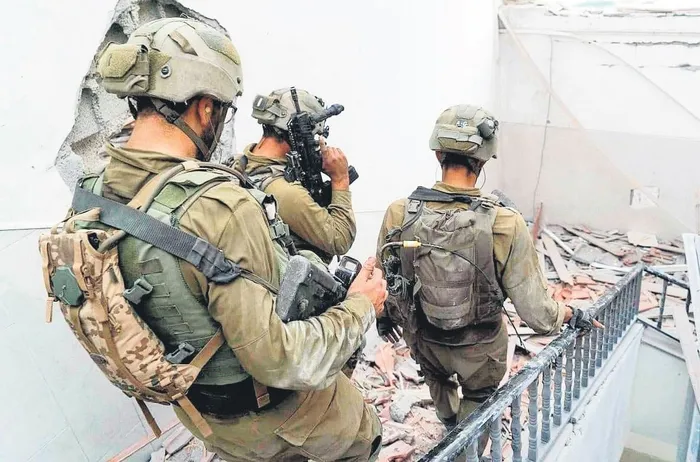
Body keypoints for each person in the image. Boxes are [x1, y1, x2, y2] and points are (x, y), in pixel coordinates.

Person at [72, 18, 385, 461]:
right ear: (205, 108)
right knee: (364, 439)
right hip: (278, 413)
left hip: (201, 414)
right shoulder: (220, 207)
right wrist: (361, 306)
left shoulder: (91, 194)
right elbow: (281, 360)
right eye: (222, 110)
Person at [375, 105, 600, 448]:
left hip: (425, 340)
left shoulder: (399, 212)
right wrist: (571, 314)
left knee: (438, 383)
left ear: (438, 154)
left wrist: (385, 319)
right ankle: (463, 448)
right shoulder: (505, 223)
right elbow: (538, 315)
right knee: (478, 403)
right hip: (480, 351)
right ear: (483, 160)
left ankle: (448, 427)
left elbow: (385, 280)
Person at [232, 88, 356, 263]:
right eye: (314, 136)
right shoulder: (286, 192)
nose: (316, 143)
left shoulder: (238, 165)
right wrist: (340, 179)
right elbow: (339, 240)